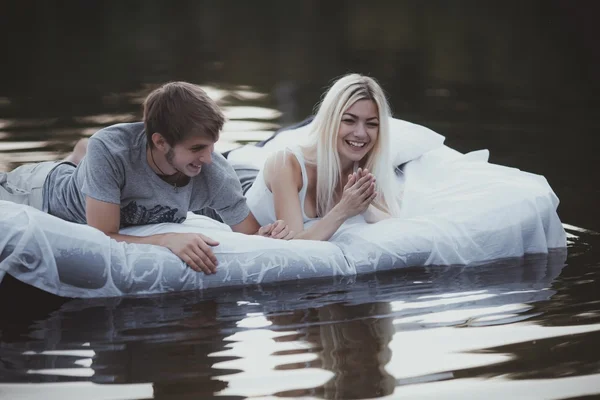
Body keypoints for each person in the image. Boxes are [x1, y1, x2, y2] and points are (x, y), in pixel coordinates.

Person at [0, 81, 290, 274]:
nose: (208, 157)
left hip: (95, 173)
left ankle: (79, 157)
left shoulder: (214, 172)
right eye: (196, 148)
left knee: (89, 159)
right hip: (41, 193)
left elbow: (251, 235)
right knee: (95, 152)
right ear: (161, 142)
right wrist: (167, 240)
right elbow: (103, 237)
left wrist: (268, 234)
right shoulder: (110, 149)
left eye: (212, 145)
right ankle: (79, 157)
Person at [245, 73, 401, 241]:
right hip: (246, 183)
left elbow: (390, 222)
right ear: (330, 120)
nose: (361, 133)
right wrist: (344, 209)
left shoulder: (366, 168)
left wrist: (364, 205)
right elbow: (293, 246)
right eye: (349, 120)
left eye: (371, 124)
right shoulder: (285, 164)